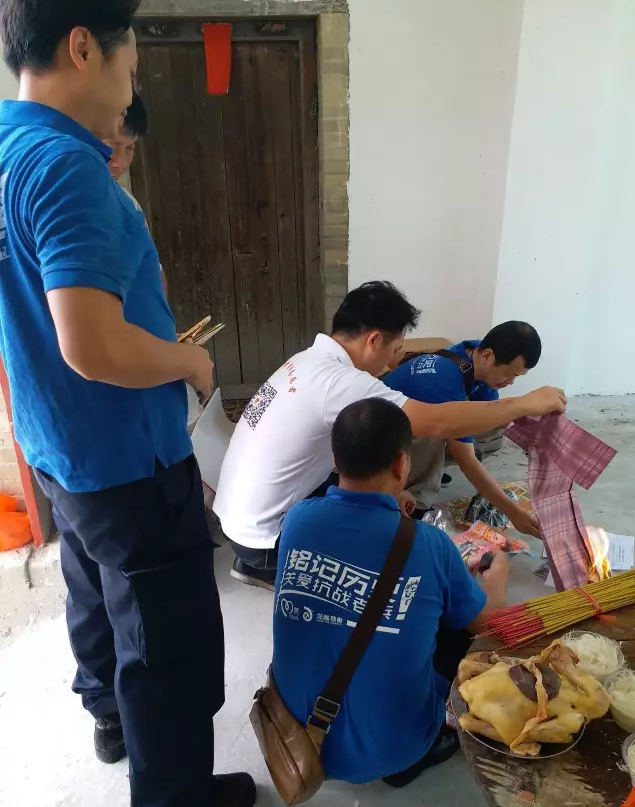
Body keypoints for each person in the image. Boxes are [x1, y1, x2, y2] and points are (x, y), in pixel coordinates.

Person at [0, 3, 253, 807]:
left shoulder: (6, 146)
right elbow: (93, 346)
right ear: (83, 48)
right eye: (130, 69)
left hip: (60, 445)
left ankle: (112, 718)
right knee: (168, 648)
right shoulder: (66, 164)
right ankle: (176, 795)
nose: (129, 92)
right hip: (125, 459)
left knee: (102, 594)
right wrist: (189, 360)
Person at [214, 281, 566, 590]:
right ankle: (276, 568)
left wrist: (384, 492)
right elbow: (437, 422)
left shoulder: (307, 362)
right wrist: (524, 404)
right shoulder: (340, 381)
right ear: (374, 340)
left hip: (240, 519)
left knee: (380, 497)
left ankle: (264, 560)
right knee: (402, 561)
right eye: (394, 349)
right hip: (266, 540)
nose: (391, 361)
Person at [272, 398, 511, 786]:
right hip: (395, 749)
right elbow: (487, 624)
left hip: (295, 738)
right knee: (459, 624)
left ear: (335, 459)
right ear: (402, 465)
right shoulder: (430, 543)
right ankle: (417, 752)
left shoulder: (298, 518)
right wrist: (498, 576)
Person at [383, 321, 543, 536]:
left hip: (408, 427)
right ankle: (414, 498)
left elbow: (496, 414)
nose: (510, 382)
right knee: (433, 434)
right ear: (487, 356)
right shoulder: (443, 379)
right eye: (508, 374)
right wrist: (514, 513)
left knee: (493, 430)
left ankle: (431, 467)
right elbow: (466, 460)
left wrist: (539, 435)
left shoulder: (475, 355)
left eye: (516, 376)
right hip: (380, 441)